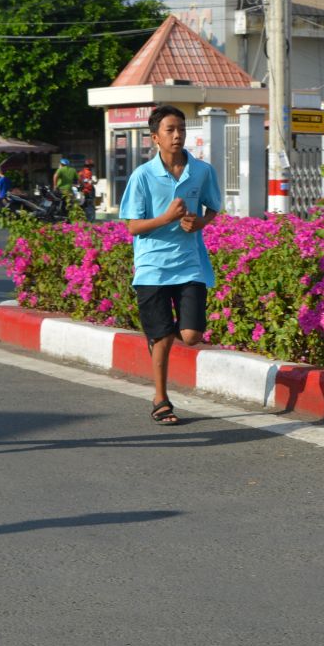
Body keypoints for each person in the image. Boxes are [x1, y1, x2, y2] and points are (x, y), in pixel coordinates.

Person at [119, 105, 221, 426]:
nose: (177, 136)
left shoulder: (202, 171)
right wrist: (167, 218)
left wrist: (199, 223)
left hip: (189, 264)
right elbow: (133, 227)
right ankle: (160, 398)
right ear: (155, 138)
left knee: (191, 335)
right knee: (163, 336)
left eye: (181, 129)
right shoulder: (143, 176)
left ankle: (159, 332)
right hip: (152, 267)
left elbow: (213, 208)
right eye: (169, 130)